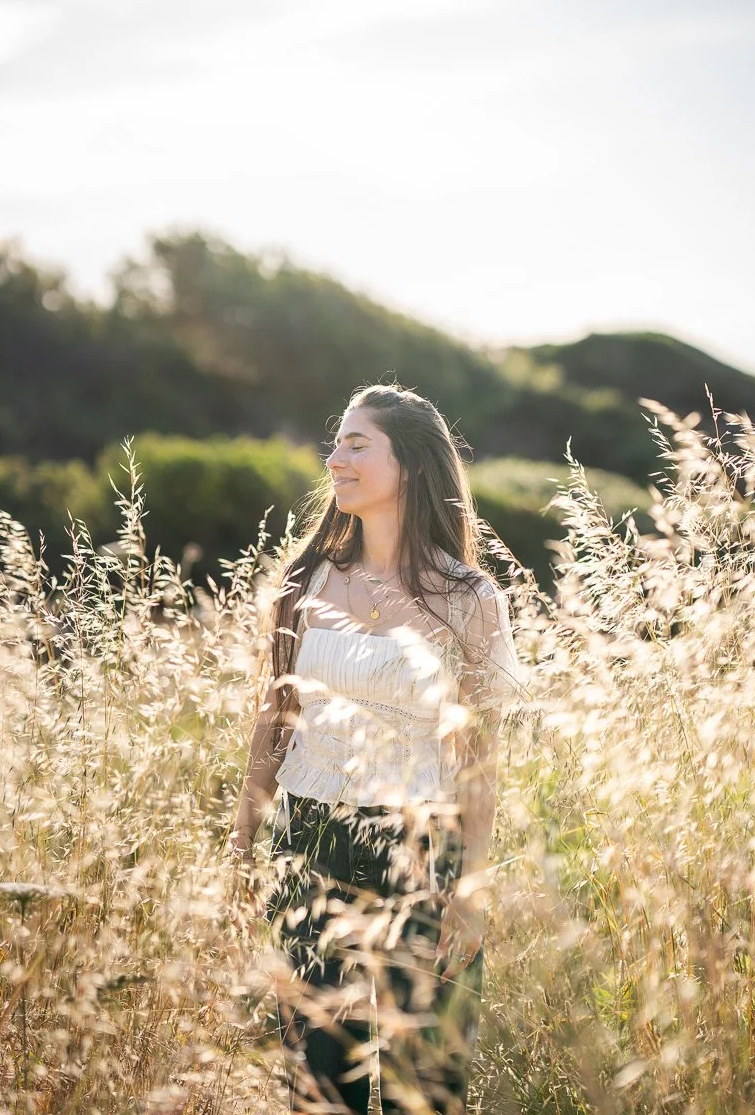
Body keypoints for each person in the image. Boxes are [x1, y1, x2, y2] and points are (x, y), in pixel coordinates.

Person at [227, 383, 526, 1114]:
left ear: (413, 464)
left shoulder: (468, 597)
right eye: (336, 442)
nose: (335, 459)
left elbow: (479, 758)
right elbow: (274, 721)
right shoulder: (306, 581)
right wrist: (241, 845)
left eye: (357, 444)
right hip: (308, 843)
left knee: (423, 1086)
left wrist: (473, 889)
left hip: (421, 850)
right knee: (317, 1082)